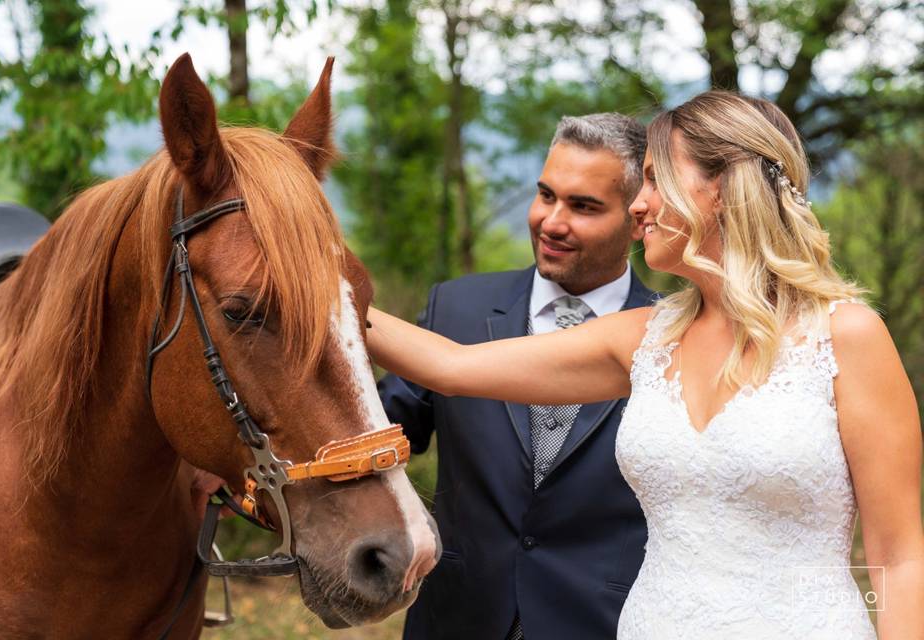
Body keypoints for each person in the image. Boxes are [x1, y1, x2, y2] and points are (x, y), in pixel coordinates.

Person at [369, 92, 924, 638]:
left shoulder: (846, 336)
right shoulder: (645, 338)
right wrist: (306, 287)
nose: (640, 204)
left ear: (725, 189)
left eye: (657, 180)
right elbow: (448, 366)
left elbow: (901, 560)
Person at [378, 113, 655, 639]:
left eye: (584, 206)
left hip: (606, 625)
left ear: (637, 219)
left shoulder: (673, 336)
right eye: (546, 195)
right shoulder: (455, 308)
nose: (551, 221)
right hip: (458, 620)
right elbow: (380, 429)